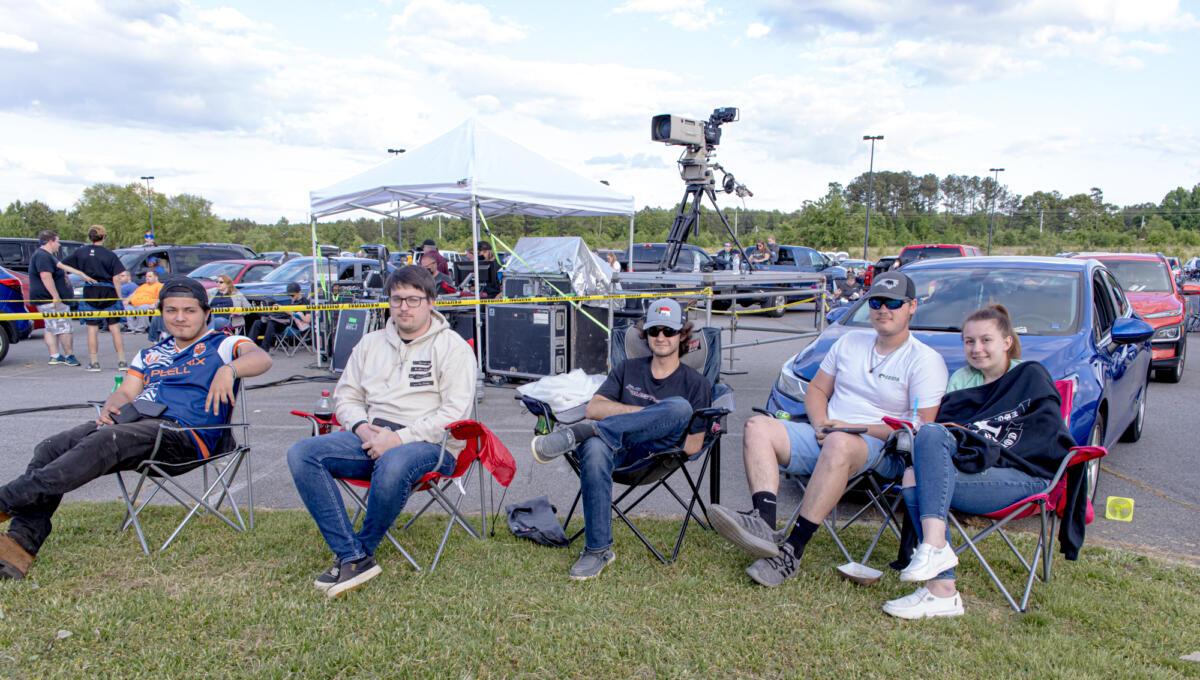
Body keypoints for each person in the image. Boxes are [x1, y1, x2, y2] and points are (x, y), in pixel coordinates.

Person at [0, 277, 272, 580]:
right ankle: (20, 544)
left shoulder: (223, 344)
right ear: (161, 313)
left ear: (206, 313)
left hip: (185, 437)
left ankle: (6, 500)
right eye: (171, 310)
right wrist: (113, 405)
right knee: (51, 447)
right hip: (136, 425)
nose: (180, 317)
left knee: (107, 439)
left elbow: (261, 358)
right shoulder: (149, 354)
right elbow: (127, 392)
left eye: (189, 310)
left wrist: (229, 369)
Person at [707, 271, 948, 587]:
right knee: (757, 427)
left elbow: (919, 427)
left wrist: (851, 429)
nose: (883, 310)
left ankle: (792, 551)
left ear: (912, 306)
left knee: (839, 444)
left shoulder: (925, 360)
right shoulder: (849, 342)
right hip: (827, 432)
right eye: (876, 302)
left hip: (881, 447)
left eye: (893, 303)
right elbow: (817, 390)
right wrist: (820, 423)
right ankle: (763, 525)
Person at [287, 266, 476, 598]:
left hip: (431, 445)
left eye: (413, 300)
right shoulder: (370, 343)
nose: (404, 307)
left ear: (431, 302)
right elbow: (346, 397)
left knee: (394, 461)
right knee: (302, 453)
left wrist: (398, 439)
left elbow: (454, 413)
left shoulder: (453, 348)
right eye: (397, 299)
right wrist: (362, 429)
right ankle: (353, 555)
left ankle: (361, 549)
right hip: (370, 437)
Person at [882, 305, 1078, 619]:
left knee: (921, 474)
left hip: (1023, 475)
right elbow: (947, 438)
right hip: (972, 472)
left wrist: (988, 449)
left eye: (986, 340)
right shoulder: (962, 380)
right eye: (969, 341)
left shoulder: (1030, 375)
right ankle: (940, 578)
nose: (977, 348)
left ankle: (937, 565)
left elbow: (1045, 435)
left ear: (1007, 342)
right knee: (921, 453)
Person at [530, 299, 712, 580]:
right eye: (654, 331)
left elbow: (693, 445)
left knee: (680, 408)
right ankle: (597, 551)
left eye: (668, 331)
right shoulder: (628, 368)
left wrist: (656, 424)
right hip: (617, 452)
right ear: (646, 335)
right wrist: (646, 416)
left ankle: (586, 432)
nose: (661, 337)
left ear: (682, 335)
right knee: (594, 448)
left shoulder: (696, 384)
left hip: (658, 456)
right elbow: (594, 409)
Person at [62, 225, 128, 372]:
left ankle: (94, 363)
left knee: (92, 328)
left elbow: (60, 264)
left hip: (90, 289)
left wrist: (81, 274)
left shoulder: (81, 252)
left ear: (90, 237)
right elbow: (116, 278)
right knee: (114, 327)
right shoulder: (110, 254)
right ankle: (122, 362)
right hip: (109, 291)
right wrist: (119, 297)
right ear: (103, 237)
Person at [28, 230, 83, 367]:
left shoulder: (46, 255)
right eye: (57, 241)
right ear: (50, 241)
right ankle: (69, 356)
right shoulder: (42, 256)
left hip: (45, 298)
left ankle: (55, 356)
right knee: (64, 327)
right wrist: (56, 296)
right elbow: (45, 276)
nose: (59, 244)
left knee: (50, 327)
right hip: (49, 299)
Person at [248, 282, 310, 350]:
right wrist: (278, 309)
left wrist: (290, 312)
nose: (290, 297)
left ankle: (264, 348)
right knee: (257, 323)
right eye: (289, 295)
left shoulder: (305, 302)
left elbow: (308, 320)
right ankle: (248, 346)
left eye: (292, 295)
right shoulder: (292, 301)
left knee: (271, 323)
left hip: (290, 325)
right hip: (280, 321)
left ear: (299, 292)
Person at [126, 269, 163, 334]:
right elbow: (133, 294)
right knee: (128, 308)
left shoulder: (159, 286)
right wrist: (127, 300)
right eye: (146, 276)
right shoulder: (143, 286)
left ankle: (140, 328)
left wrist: (155, 304)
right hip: (135, 304)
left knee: (142, 308)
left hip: (149, 305)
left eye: (149, 276)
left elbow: (161, 298)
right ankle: (131, 328)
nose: (147, 278)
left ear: (156, 277)